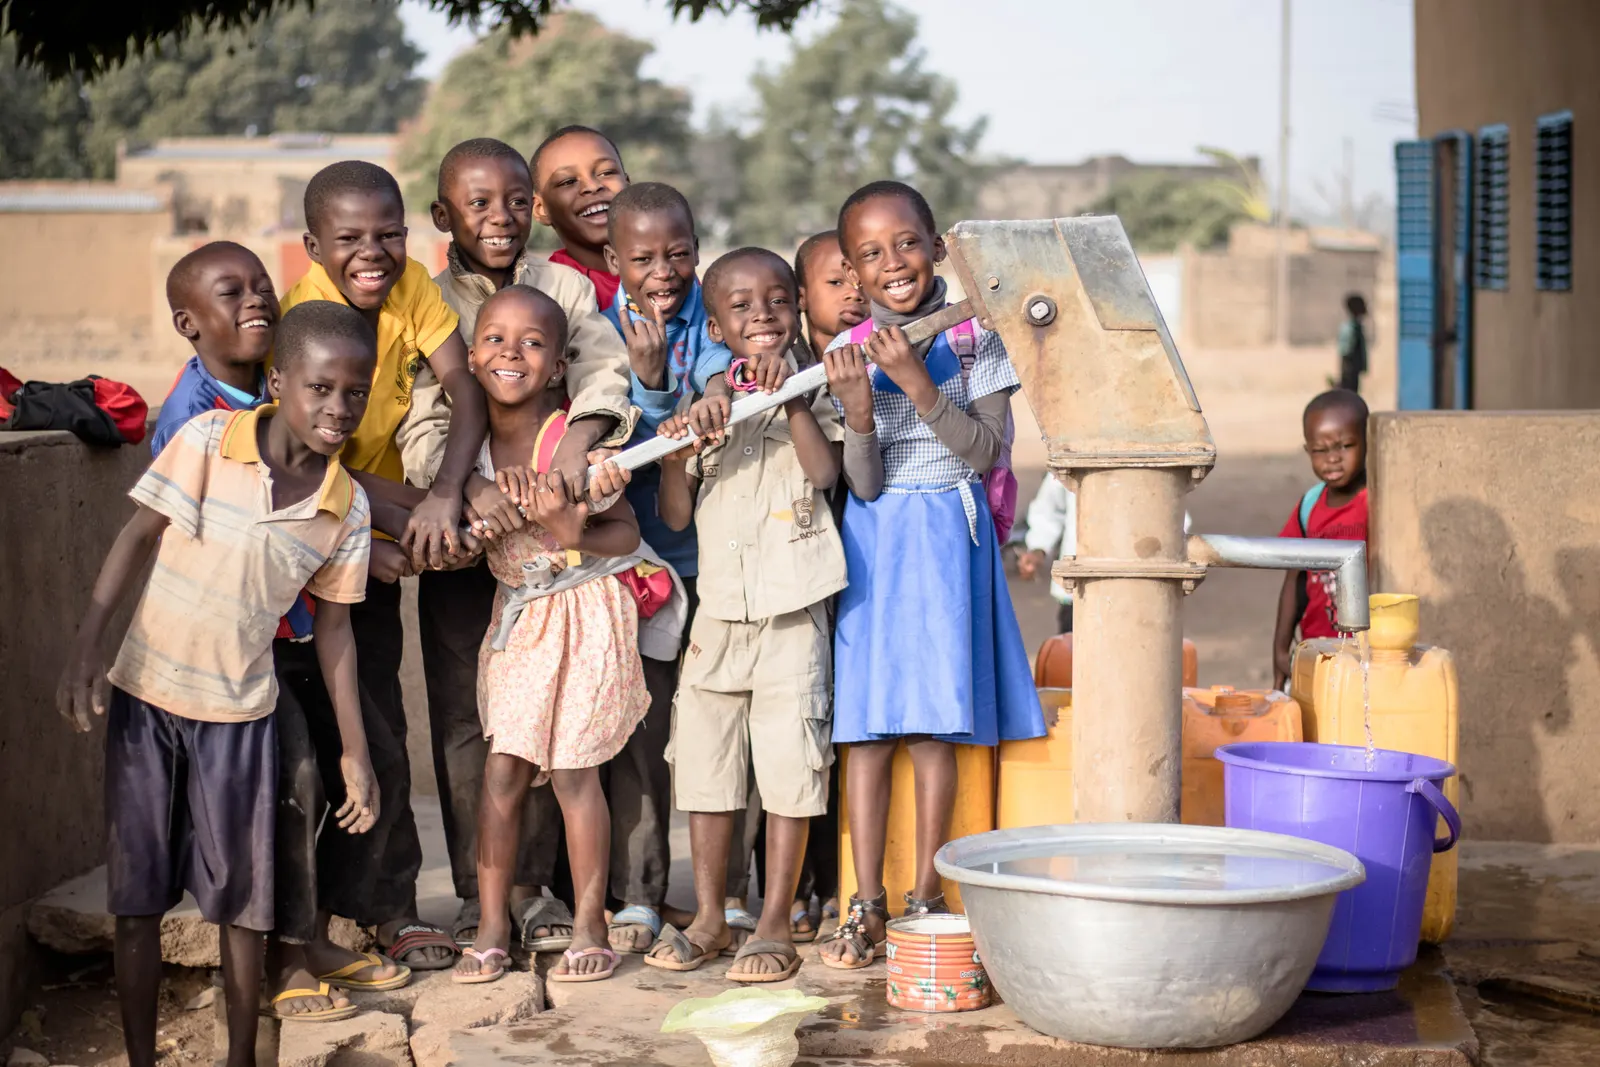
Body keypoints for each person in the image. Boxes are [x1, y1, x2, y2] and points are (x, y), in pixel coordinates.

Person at [56, 299, 380, 1066]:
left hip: (241, 717)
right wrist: (85, 650)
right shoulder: (206, 440)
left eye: (355, 392)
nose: (338, 408)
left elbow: (333, 631)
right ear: (279, 381)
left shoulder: (346, 506)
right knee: (136, 898)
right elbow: (138, 536)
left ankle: (240, 1057)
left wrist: (355, 752)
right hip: (146, 699)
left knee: (243, 904)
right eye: (320, 388)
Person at [395, 137, 637, 952]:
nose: (498, 218)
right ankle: (482, 899)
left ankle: (545, 896)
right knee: (477, 728)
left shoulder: (562, 284)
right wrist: (465, 488)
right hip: (476, 536)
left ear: (532, 209)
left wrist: (579, 446)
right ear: (444, 217)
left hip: (564, 522)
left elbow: (603, 369)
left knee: (569, 741)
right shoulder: (427, 299)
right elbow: (425, 414)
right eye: (477, 204)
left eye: (512, 201)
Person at [818, 180, 1046, 970]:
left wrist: (915, 380)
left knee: (930, 725)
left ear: (938, 247)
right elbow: (868, 485)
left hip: (950, 533)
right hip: (877, 541)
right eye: (871, 254)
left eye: (907, 243)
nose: (894, 264)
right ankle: (866, 900)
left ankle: (925, 895)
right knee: (870, 727)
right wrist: (854, 408)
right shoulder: (846, 355)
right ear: (851, 272)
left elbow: (986, 455)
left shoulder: (978, 339)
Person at [279, 160, 484, 971]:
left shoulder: (413, 291)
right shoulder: (304, 316)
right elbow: (304, 450)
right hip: (311, 534)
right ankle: (338, 915)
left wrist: (444, 493)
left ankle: (386, 909)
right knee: (322, 747)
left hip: (371, 521)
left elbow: (461, 387)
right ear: (312, 246)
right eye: (351, 239)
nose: (375, 251)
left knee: (379, 730)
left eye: (390, 233)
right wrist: (397, 520)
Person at [449, 285, 670, 985]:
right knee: (504, 770)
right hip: (519, 618)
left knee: (576, 773)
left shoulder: (575, 439)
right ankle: (490, 924)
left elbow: (628, 531)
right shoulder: (467, 446)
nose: (509, 353)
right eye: (493, 339)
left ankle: (588, 924)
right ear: (471, 353)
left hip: (585, 612)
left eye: (532, 343)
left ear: (557, 367)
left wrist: (572, 529)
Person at [643, 248, 844, 981]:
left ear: (794, 306)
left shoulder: (818, 386)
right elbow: (672, 516)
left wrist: (790, 397)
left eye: (774, 301)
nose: (759, 314)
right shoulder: (710, 403)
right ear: (717, 322)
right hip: (719, 618)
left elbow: (825, 475)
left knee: (792, 768)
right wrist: (675, 451)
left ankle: (771, 923)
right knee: (705, 768)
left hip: (793, 615)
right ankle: (707, 917)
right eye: (739, 306)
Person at [593, 180, 735, 955]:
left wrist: (710, 392)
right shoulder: (595, 327)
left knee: (717, 723)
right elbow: (613, 419)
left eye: (679, 252)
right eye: (643, 257)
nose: (664, 269)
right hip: (632, 567)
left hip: (707, 560)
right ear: (613, 259)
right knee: (642, 735)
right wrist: (653, 388)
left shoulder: (705, 313)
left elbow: (720, 377)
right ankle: (641, 893)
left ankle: (730, 892)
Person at [1272, 389, 1370, 689]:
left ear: (1368, 442)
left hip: (1366, 656)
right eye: (1320, 450)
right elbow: (1295, 579)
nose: (1333, 459)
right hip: (1315, 652)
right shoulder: (1309, 506)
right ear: (1307, 450)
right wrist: (1280, 646)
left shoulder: (1376, 503)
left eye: (1345, 446)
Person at [1017, 478, 1194, 636]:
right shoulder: (1072, 454)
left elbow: (1174, 517)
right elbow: (1049, 509)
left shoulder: (1151, 466)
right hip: (1078, 590)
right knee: (1072, 659)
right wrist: (1038, 548)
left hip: (1135, 593)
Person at [532, 125, 629, 309]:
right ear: (540, 208)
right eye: (568, 182)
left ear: (628, 184)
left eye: (606, 172)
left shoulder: (670, 266)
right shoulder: (548, 294)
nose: (592, 186)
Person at [1337, 293, 1369, 394]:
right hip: (1350, 370)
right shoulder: (1350, 328)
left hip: (1354, 370)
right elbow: (1346, 351)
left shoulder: (1357, 327)